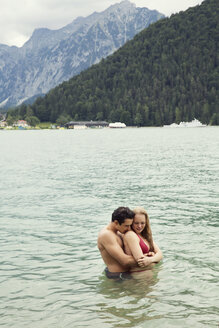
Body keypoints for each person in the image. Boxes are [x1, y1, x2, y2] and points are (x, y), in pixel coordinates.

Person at [98, 206, 147, 280]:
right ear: (116, 222)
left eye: (130, 225)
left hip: (126, 274)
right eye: (126, 226)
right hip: (117, 276)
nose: (129, 228)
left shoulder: (118, 231)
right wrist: (147, 259)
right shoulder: (106, 235)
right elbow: (125, 261)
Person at [123, 206, 163, 274]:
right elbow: (141, 262)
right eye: (136, 223)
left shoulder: (145, 236)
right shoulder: (131, 235)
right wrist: (154, 258)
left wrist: (150, 259)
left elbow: (160, 254)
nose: (139, 226)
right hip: (139, 276)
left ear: (146, 223)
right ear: (131, 222)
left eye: (142, 223)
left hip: (148, 274)